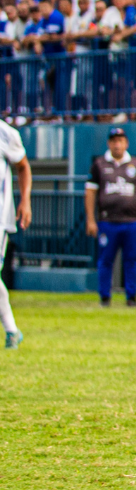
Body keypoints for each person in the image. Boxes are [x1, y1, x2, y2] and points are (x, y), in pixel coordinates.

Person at [85, 127, 136, 308]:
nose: (117, 144)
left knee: (131, 260)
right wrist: (91, 219)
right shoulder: (99, 165)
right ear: (109, 143)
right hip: (107, 221)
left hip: (131, 221)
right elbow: (90, 193)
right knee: (106, 259)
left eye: (120, 140)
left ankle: (131, 297)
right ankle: (105, 297)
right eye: (114, 141)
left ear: (126, 143)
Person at [0, 118, 31, 347]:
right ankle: (11, 329)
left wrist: (26, 200)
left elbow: (22, 166)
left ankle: (11, 330)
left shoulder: (5, 133)